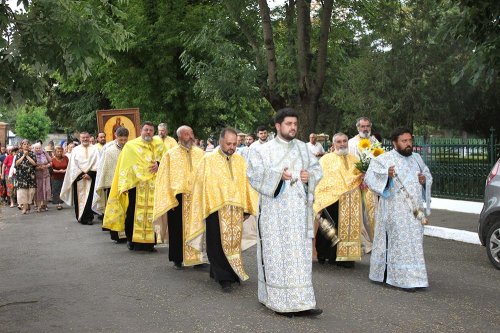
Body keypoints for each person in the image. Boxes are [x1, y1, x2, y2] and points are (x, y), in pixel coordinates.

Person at [247, 108, 323, 317]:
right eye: (289, 124)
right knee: (277, 257)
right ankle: (279, 301)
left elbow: (317, 170)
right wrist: (278, 175)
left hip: (299, 214)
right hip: (275, 215)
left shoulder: (303, 148)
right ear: (278, 126)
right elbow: (254, 175)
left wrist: (310, 177)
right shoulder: (261, 150)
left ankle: (303, 302)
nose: (293, 128)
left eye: (295, 124)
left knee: (299, 258)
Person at [186, 128, 257, 292]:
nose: (232, 147)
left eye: (234, 144)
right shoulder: (208, 160)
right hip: (215, 208)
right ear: (220, 141)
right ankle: (223, 277)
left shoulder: (239, 160)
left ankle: (230, 272)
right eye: (228, 144)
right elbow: (200, 185)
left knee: (233, 242)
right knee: (216, 243)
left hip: (235, 209)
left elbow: (245, 183)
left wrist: (247, 207)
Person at [365, 127, 432, 292]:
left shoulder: (416, 158)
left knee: (415, 244)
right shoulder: (384, 159)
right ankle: (399, 278)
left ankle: (416, 278)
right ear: (395, 143)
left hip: (415, 211)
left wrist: (424, 180)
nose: (408, 144)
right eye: (404, 141)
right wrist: (386, 176)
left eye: (410, 141)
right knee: (399, 243)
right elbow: (369, 178)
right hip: (394, 211)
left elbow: (427, 175)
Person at [103, 121, 164, 252]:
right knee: (132, 213)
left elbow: (165, 159)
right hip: (136, 185)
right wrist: (124, 184)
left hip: (153, 185)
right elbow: (124, 165)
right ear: (140, 130)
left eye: (151, 130)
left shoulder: (159, 144)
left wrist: (159, 163)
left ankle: (150, 243)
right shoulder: (131, 146)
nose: (148, 132)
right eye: (146, 129)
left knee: (152, 214)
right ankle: (132, 240)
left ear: (154, 132)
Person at [153, 125, 205, 269]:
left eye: (191, 133)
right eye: (187, 134)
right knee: (176, 229)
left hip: (196, 196)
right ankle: (177, 258)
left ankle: (196, 258)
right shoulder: (170, 155)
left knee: (197, 227)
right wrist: (168, 198)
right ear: (179, 137)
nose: (191, 136)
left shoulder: (200, 153)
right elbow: (163, 178)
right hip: (177, 198)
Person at [313, 133, 365, 267]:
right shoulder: (326, 159)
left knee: (346, 228)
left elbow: (358, 178)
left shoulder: (355, 159)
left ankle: (344, 257)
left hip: (349, 200)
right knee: (328, 227)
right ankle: (324, 255)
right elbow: (320, 179)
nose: (342, 144)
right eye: (339, 142)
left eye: (344, 141)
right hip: (329, 199)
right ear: (333, 144)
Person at [92, 127, 129, 242]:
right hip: (112, 186)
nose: (123, 142)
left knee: (127, 210)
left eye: (125, 140)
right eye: (121, 139)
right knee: (115, 211)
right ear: (116, 137)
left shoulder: (130, 149)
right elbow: (104, 169)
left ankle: (127, 233)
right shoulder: (109, 151)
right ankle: (117, 235)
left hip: (128, 186)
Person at [348, 116, 379, 243]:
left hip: (371, 182)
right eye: (363, 126)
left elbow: (378, 159)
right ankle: (362, 242)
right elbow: (350, 163)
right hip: (357, 181)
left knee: (373, 211)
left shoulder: (374, 141)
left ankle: (376, 240)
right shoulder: (351, 143)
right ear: (358, 127)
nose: (365, 129)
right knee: (358, 212)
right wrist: (360, 176)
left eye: (368, 126)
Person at [60, 132, 99, 225]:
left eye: (86, 137)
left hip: (91, 177)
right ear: (80, 138)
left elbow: (98, 163)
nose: (85, 139)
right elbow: (73, 166)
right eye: (83, 138)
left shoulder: (95, 149)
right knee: (79, 198)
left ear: (89, 138)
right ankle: (80, 216)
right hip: (79, 177)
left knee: (90, 198)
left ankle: (89, 217)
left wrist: (90, 174)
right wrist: (82, 174)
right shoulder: (75, 150)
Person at [15, 140, 37, 214]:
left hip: (31, 176)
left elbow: (34, 163)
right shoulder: (18, 154)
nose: (26, 145)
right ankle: (24, 208)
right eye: (24, 144)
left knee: (31, 192)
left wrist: (27, 155)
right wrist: (23, 155)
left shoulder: (32, 153)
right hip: (21, 176)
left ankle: (28, 204)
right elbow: (17, 163)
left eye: (27, 144)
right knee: (23, 192)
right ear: (22, 145)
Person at [34, 143, 52, 212]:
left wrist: (46, 166)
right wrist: (37, 167)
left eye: (39, 148)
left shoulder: (44, 153)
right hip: (38, 175)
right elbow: (32, 165)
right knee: (39, 190)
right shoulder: (33, 154)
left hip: (46, 174)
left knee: (47, 189)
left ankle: (45, 204)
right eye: (36, 148)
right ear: (34, 149)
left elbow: (51, 162)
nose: (38, 149)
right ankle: (39, 206)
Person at [51, 146, 69, 210]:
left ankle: (64, 201)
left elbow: (70, 166)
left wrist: (65, 170)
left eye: (61, 151)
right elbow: (51, 169)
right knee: (57, 190)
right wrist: (58, 171)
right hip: (55, 177)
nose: (59, 153)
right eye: (58, 151)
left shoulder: (66, 158)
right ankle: (59, 204)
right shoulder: (52, 159)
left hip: (64, 177)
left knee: (63, 190)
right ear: (55, 152)